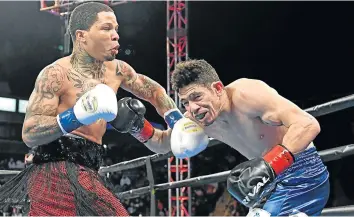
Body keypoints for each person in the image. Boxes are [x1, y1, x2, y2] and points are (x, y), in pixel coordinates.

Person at [0, 2, 200, 216]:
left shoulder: (118, 70)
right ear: (81, 35)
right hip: (53, 172)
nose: (116, 35)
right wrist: (76, 115)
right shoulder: (55, 74)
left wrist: (176, 120)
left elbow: (154, 91)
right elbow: (29, 133)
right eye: (106, 28)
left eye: (116, 29)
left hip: (90, 171)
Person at [136, 59, 330, 216]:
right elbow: (163, 144)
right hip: (265, 185)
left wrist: (271, 164)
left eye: (197, 97)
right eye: (185, 102)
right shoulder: (196, 118)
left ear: (218, 88)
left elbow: (307, 124)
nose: (192, 108)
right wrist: (137, 128)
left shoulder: (246, 94)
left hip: (302, 176)